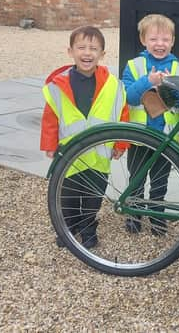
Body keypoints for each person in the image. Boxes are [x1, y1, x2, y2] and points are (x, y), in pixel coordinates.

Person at [40, 26, 129, 249]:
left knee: (92, 197)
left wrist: (121, 143)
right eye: (81, 47)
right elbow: (50, 118)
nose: (87, 53)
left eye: (93, 48)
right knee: (68, 196)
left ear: (102, 54)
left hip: (99, 155)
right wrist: (50, 145)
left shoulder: (113, 85)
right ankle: (68, 228)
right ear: (70, 51)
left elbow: (122, 115)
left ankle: (89, 228)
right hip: (69, 155)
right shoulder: (58, 86)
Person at [122, 14, 179, 235]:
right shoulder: (134, 66)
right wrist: (147, 82)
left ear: (173, 41)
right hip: (140, 137)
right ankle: (134, 215)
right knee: (137, 178)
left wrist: (171, 88)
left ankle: (157, 217)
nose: (159, 44)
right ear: (143, 40)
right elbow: (129, 98)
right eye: (153, 39)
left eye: (165, 39)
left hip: (166, 138)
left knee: (160, 181)